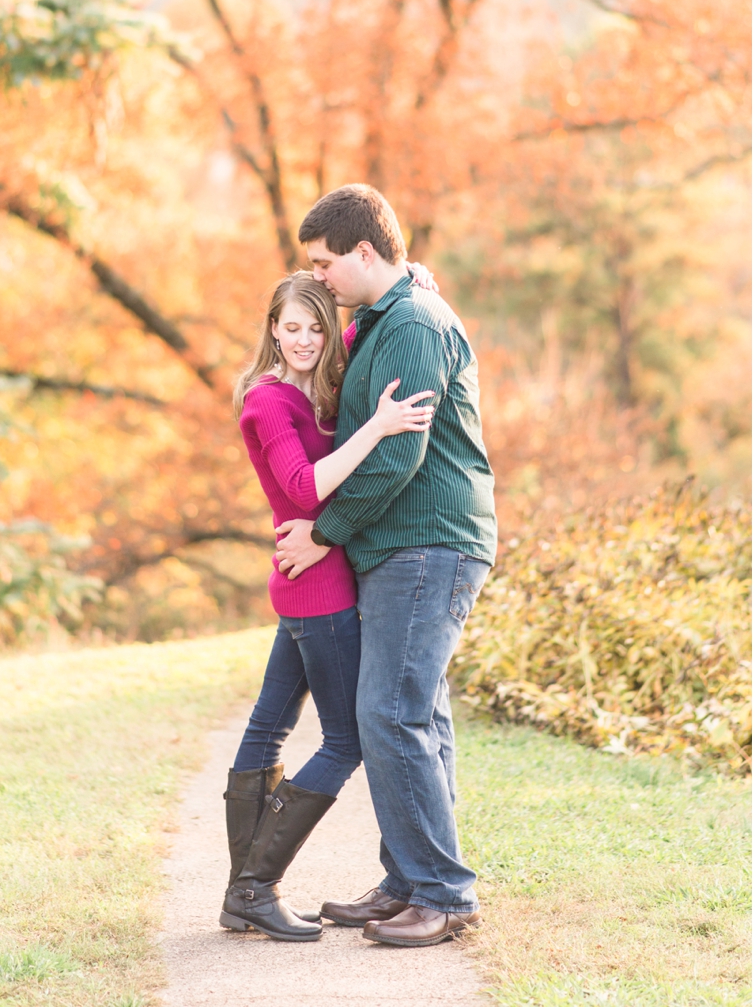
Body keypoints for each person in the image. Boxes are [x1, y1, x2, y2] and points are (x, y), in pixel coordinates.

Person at [274, 183, 498, 948]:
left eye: (326, 264)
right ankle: (409, 880)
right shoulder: (386, 315)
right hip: (403, 546)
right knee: (417, 714)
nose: (321, 278)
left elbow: (398, 454)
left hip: (428, 543)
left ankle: (443, 894)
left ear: (365, 253)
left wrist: (324, 533)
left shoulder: (412, 323)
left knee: (390, 714)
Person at [223, 271, 436, 942]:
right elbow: (305, 484)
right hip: (318, 589)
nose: (305, 339)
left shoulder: (308, 383)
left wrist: (413, 282)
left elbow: (345, 328)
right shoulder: (268, 402)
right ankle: (256, 886)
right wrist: (377, 427)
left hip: (307, 578)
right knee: (343, 740)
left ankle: (243, 895)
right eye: (290, 328)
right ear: (271, 329)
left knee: (269, 729)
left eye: (316, 327)